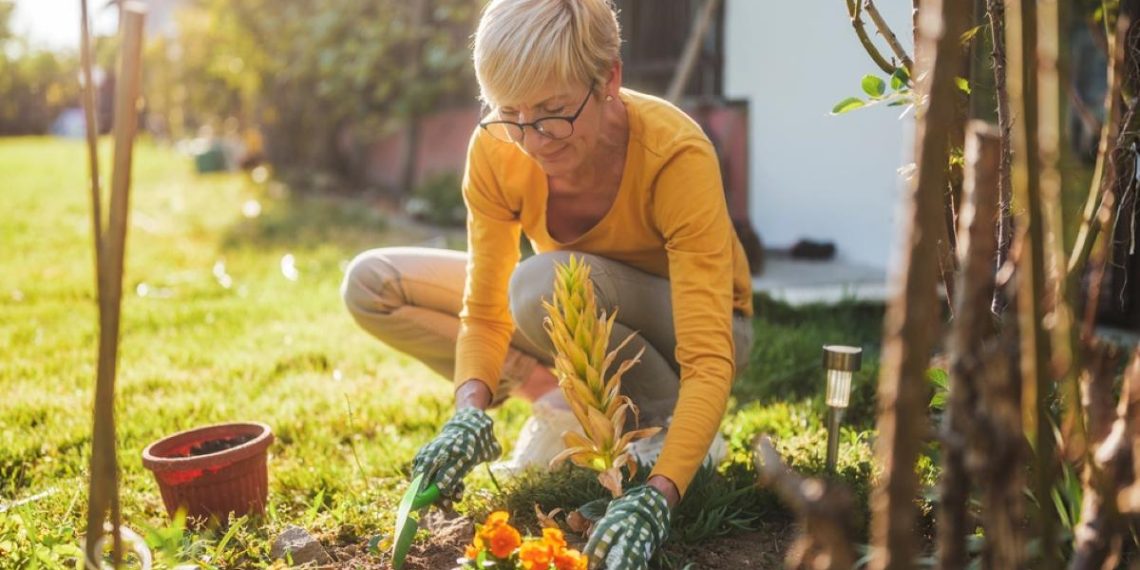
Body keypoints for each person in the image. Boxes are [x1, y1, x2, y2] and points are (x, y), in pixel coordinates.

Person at [341, 0, 754, 567]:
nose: (532, 141)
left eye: (553, 111)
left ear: (609, 78)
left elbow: (710, 355)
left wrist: (659, 496)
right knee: (372, 282)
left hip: (694, 335)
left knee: (542, 284)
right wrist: (469, 407)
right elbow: (484, 310)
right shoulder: (495, 146)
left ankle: (668, 431)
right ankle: (559, 393)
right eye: (509, 112)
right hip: (572, 305)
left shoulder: (674, 155)